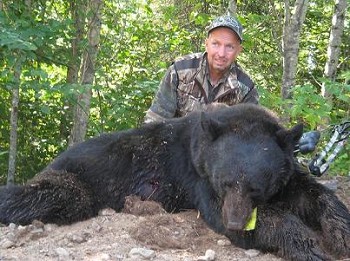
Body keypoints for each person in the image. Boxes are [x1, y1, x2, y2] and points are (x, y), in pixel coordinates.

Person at [144, 15, 259, 123]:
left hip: (220, 144)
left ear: (238, 50)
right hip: (178, 142)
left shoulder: (246, 89)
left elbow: (249, 136)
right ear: (206, 44)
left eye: (229, 46)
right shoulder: (180, 71)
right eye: (216, 44)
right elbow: (156, 120)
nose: (221, 53)